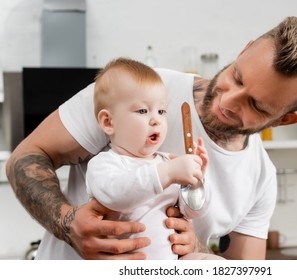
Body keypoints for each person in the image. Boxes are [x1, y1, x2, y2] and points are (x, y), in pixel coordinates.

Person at [6, 16, 297, 260]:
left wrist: (195, 248)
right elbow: (26, 157)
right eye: (237, 77)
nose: (228, 100)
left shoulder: (261, 177)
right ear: (245, 50)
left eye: (255, 105)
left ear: (284, 120)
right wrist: (68, 224)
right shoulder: (137, 93)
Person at [86, 57, 221, 260]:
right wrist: (169, 173)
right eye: (142, 110)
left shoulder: (167, 162)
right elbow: (117, 195)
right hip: (126, 263)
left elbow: (193, 212)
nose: (156, 119)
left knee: (213, 263)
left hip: (172, 261)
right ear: (108, 122)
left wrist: (196, 182)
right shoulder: (104, 164)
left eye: (161, 111)